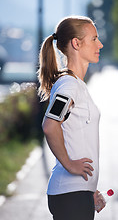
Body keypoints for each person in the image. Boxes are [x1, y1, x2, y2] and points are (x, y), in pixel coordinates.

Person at [37, 16, 105, 220]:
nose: (99, 44)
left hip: (77, 194)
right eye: (94, 39)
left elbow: (78, 139)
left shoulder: (75, 85)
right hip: (70, 196)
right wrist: (69, 164)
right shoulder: (69, 86)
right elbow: (50, 126)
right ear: (76, 43)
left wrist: (90, 189)